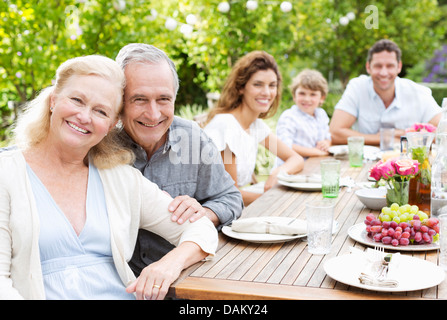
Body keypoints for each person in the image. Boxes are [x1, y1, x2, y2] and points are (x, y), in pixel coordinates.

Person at [0, 55, 217, 300]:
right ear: (53, 100)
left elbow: (200, 229)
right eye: (76, 100)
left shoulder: (120, 179)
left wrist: (169, 264)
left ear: (112, 124)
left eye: (100, 111)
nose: (84, 116)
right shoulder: (6, 173)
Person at [114, 43, 243, 276]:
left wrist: (201, 213)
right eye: (139, 99)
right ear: (119, 100)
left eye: (163, 99)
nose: (153, 114)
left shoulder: (193, 138)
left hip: (184, 278)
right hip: (119, 284)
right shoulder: (99, 145)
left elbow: (231, 198)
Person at [203, 51, 304, 206]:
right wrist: (275, 199)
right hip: (214, 213)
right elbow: (230, 195)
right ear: (240, 88)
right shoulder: (226, 127)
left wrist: (278, 173)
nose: (267, 92)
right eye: (258, 84)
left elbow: (295, 159)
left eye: (272, 85)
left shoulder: (256, 126)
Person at [330, 39, 441, 145]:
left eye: (390, 66)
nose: (383, 72)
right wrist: (385, 137)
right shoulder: (357, 87)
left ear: (399, 67)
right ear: (368, 67)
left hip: (409, 162)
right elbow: (335, 132)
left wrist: (407, 135)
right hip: (366, 163)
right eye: (378, 66)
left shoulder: (418, 92)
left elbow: (443, 132)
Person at [275, 69, 331, 162]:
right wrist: (316, 152)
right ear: (294, 95)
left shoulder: (321, 114)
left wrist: (326, 143)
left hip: (313, 167)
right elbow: (284, 146)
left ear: (322, 98)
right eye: (302, 93)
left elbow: (327, 138)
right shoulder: (289, 117)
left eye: (313, 94)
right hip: (290, 171)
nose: (307, 99)